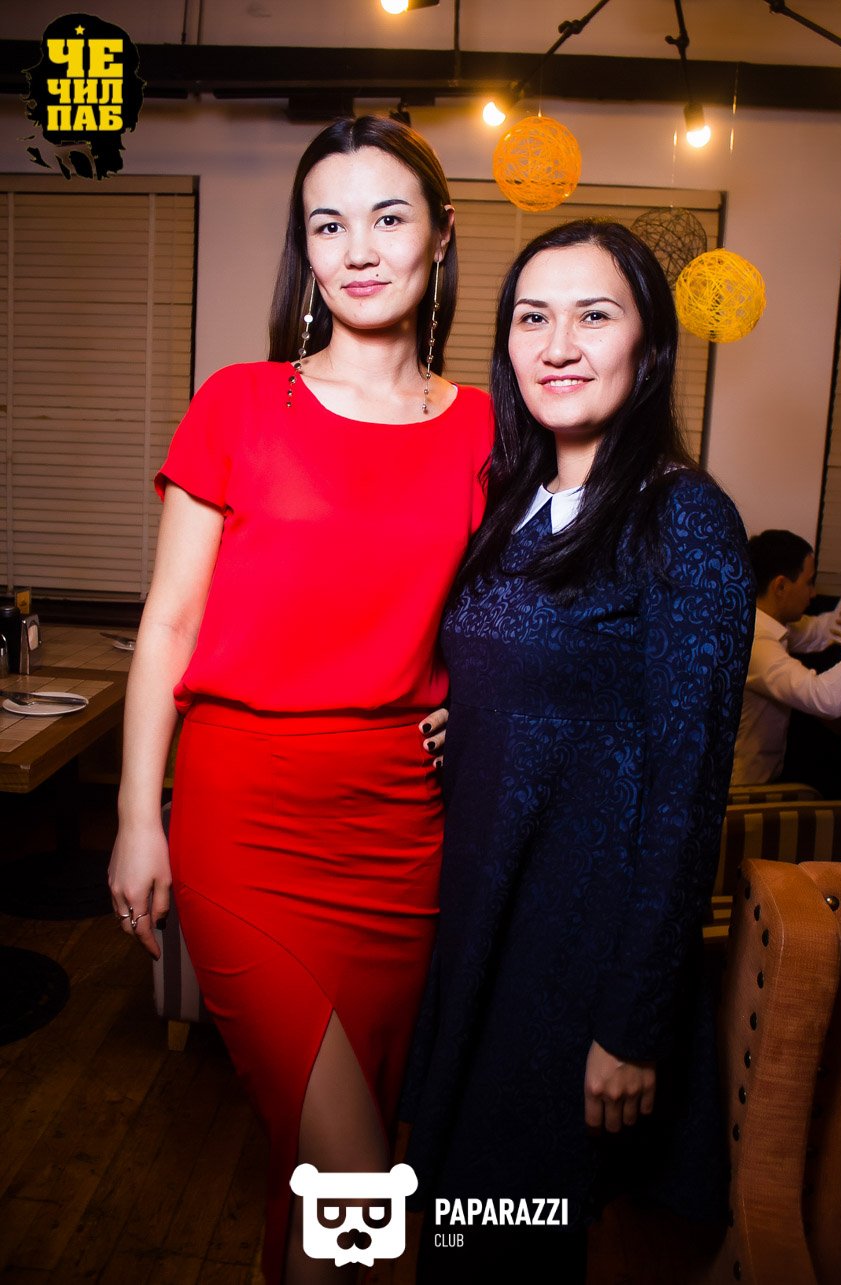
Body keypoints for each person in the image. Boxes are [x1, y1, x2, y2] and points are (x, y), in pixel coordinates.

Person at [108, 115, 493, 1284]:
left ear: (440, 235)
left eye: (388, 217)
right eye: (329, 225)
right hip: (245, 820)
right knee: (359, 1175)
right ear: (305, 248)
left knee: (335, 1155)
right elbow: (169, 624)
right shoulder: (238, 402)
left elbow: (519, 623)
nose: (358, 249)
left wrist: (478, 703)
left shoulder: (492, 428)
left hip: (403, 832)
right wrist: (136, 816)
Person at [403, 220, 754, 1281]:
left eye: (592, 315)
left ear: (647, 343)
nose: (557, 345)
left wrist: (632, 1024)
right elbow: (552, 678)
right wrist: (485, 719)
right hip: (482, 924)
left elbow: (688, 789)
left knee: (502, 1245)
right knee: (457, 1228)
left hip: (572, 959)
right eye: (532, 317)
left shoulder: (681, 516)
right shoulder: (515, 501)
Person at [730, 529, 841, 786]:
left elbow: (818, 632)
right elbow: (826, 699)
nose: (813, 593)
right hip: (744, 794)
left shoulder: (758, 619)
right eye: (809, 582)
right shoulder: (757, 643)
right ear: (780, 586)